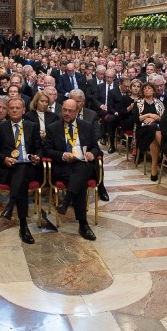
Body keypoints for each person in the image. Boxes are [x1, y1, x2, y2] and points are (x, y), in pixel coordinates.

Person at [44, 99, 99, 241]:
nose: (66, 113)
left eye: (70, 111)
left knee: (82, 169)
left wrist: (92, 153)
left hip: (84, 163)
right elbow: (47, 150)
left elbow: (95, 147)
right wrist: (63, 155)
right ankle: (83, 224)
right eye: (64, 110)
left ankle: (66, 200)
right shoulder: (53, 127)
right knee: (80, 182)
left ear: (77, 111)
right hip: (64, 166)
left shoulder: (86, 126)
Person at [0, 98, 43, 244]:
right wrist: (5, 158)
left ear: (23, 110)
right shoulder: (0, 127)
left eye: (17, 108)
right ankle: (23, 226)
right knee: (21, 176)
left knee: (23, 168)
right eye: (11, 108)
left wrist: (38, 156)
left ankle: (11, 204)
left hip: (29, 166)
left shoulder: (32, 126)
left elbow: (39, 148)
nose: (14, 110)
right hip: (8, 169)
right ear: (7, 110)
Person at [133, 82, 166, 180]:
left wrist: (155, 119)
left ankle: (154, 168)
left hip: (156, 130)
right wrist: (149, 115)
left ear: (153, 90)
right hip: (142, 130)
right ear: (142, 91)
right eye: (145, 89)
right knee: (153, 128)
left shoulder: (159, 103)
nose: (147, 90)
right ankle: (165, 148)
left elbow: (164, 119)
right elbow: (135, 119)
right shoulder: (138, 103)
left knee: (153, 129)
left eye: (149, 88)